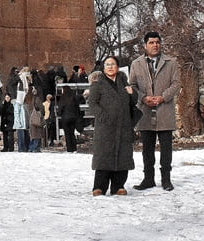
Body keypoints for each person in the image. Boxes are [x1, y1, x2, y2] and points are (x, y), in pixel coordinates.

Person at [129, 30, 181, 191]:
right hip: (145, 111)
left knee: (166, 148)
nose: (155, 45)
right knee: (147, 149)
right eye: (151, 42)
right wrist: (143, 98)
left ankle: (166, 179)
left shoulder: (171, 62)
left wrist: (163, 97)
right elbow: (132, 86)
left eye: (157, 42)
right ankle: (148, 178)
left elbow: (176, 84)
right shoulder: (136, 64)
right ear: (145, 45)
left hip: (164, 109)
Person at [87, 61, 138, 195]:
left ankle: (118, 186)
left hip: (123, 125)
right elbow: (92, 103)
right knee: (104, 156)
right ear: (104, 68)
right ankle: (99, 187)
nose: (110, 67)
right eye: (107, 65)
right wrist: (102, 116)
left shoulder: (124, 82)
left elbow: (134, 102)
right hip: (105, 127)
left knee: (123, 156)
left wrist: (132, 93)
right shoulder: (98, 84)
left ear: (118, 67)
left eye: (113, 64)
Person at [59, 83, 84, 153]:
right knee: (72, 133)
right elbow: (77, 108)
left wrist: (60, 114)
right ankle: (74, 148)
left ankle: (69, 149)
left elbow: (60, 108)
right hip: (73, 118)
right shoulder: (74, 97)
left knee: (67, 134)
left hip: (65, 118)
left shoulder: (63, 98)